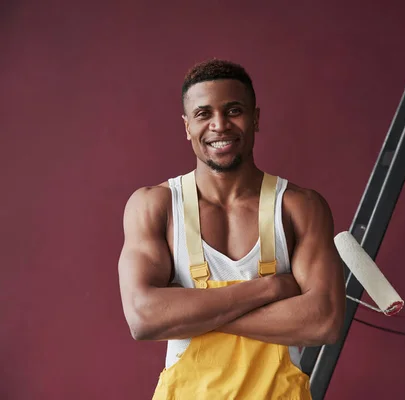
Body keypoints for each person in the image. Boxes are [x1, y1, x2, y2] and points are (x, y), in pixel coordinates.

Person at [118, 59, 346, 399]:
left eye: (233, 110)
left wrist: (189, 314)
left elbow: (324, 322)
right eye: (203, 114)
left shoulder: (298, 206)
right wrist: (269, 290)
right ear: (186, 126)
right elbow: (143, 318)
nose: (219, 125)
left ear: (255, 119)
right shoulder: (156, 206)